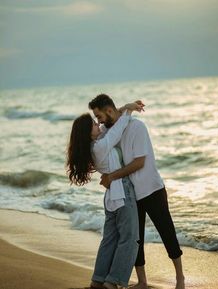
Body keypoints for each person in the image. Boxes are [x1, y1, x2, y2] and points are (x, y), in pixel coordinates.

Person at [89, 94, 185, 289]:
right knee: (136, 238)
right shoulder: (110, 130)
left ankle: (180, 278)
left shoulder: (137, 127)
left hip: (151, 188)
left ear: (108, 111)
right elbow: (101, 138)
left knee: (167, 231)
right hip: (130, 194)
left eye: (99, 116)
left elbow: (139, 162)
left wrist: (111, 177)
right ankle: (142, 281)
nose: (99, 121)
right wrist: (127, 107)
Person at [66, 101, 145, 289]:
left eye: (97, 120)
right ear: (88, 133)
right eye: (94, 124)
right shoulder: (99, 146)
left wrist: (124, 107)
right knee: (129, 239)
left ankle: (98, 279)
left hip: (111, 196)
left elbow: (111, 123)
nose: (98, 124)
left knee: (110, 239)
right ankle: (113, 282)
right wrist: (129, 111)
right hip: (122, 192)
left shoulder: (94, 147)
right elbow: (117, 130)